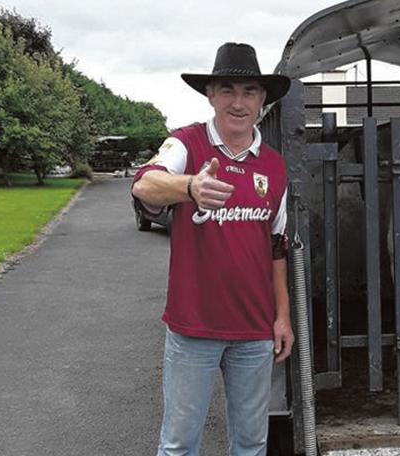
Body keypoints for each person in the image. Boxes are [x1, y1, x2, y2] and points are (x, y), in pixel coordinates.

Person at [131, 42, 294, 456]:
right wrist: (189, 186)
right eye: (227, 89)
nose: (238, 102)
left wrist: (283, 317)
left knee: (251, 443)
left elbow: (277, 246)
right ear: (210, 95)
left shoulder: (274, 166)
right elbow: (144, 184)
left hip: (255, 332)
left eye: (249, 92)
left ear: (262, 100)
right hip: (193, 329)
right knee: (180, 445)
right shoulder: (187, 145)